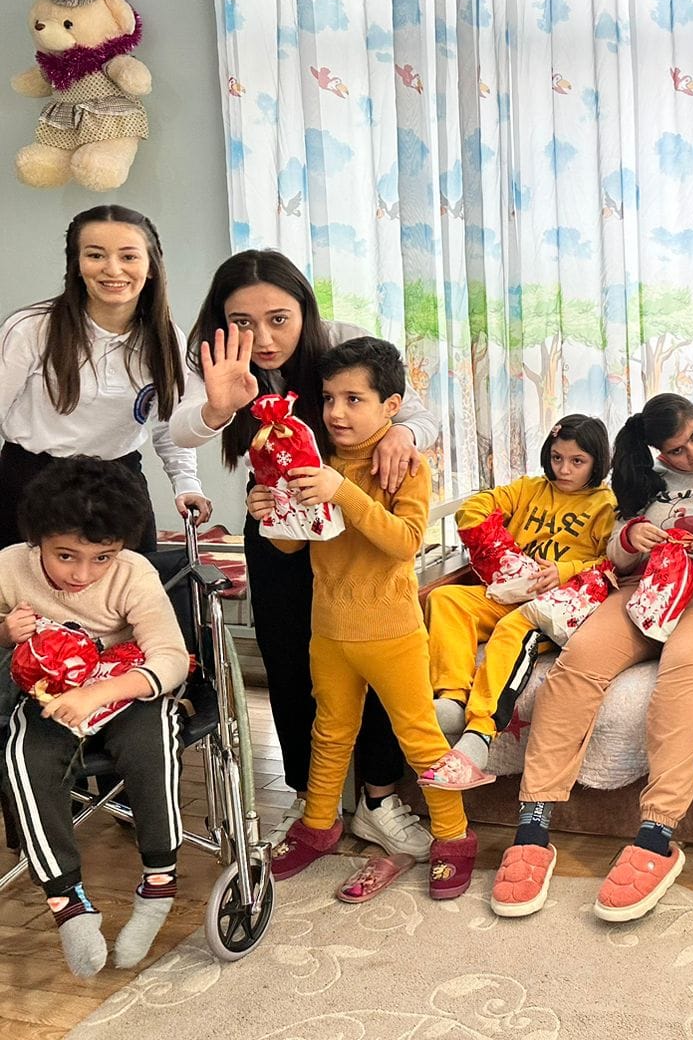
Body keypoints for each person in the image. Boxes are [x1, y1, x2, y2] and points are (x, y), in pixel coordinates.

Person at [172, 250, 437, 860]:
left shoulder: (340, 341)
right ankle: (307, 797)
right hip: (278, 514)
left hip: (353, 518)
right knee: (289, 662)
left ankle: (378, 800)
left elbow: (417, 413)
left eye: (279, 319)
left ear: (305, 311)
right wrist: (218, 406)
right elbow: (180, 429)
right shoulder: (214, 359)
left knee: (374, 655)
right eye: (242, 322)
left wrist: (402, 433)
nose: (263, 339)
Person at [490, 393, 693, 922]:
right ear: (658, 452)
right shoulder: (644, 479)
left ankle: (656, 836)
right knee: (577, 663)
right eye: (675, 451)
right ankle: (533, 825)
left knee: (684, 672)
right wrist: (632, 536)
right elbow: (614, 553)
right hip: (645, 588)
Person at [256, 338, 476, 900]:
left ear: (391, 406)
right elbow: (294, 545)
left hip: (391, 632)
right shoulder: (316, 462)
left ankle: (454, 837)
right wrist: (270, 516)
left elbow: (404, 543)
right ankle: (318, 824)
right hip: (328, 630)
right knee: (329, 732)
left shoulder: (406, 466)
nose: (336, 412)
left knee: (420, 737)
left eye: (354, 399)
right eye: (329, 398)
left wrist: (343, 492)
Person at [0, 459, 193, 977]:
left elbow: (171, 659)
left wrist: (99, 693)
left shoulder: (132, 573)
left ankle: (159, 882)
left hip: (125, 685)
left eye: (101, 557)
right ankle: (67, 902)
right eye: (66, 556)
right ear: (37, 541)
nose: (82, 575)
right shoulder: (10, 566)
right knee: (23, 756)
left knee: (154, 741)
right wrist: (3, 632)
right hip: (49, 694)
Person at [420, 413, 615, 789]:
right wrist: (504, 556)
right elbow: (473, 510)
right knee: (446, 598)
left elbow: (613, 564)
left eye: (577, 461)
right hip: (511, 591)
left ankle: (480, 730)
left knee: (513, 628)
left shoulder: (606, 504)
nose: (564, 469)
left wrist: (565, 571)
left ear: (597, 462)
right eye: (557, 458)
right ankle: (452, 699)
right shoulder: (530, 488)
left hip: (556, 608)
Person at [1, 205, 210, 553]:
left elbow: (169, 422)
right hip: (32, 481)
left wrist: (186, 482)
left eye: (128, 256)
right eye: (95, 255)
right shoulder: (30, 329)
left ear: (151, 266)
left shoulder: (165, 337)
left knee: (135, 586)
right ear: (76, 265)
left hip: (119, 483)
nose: (113, 269)